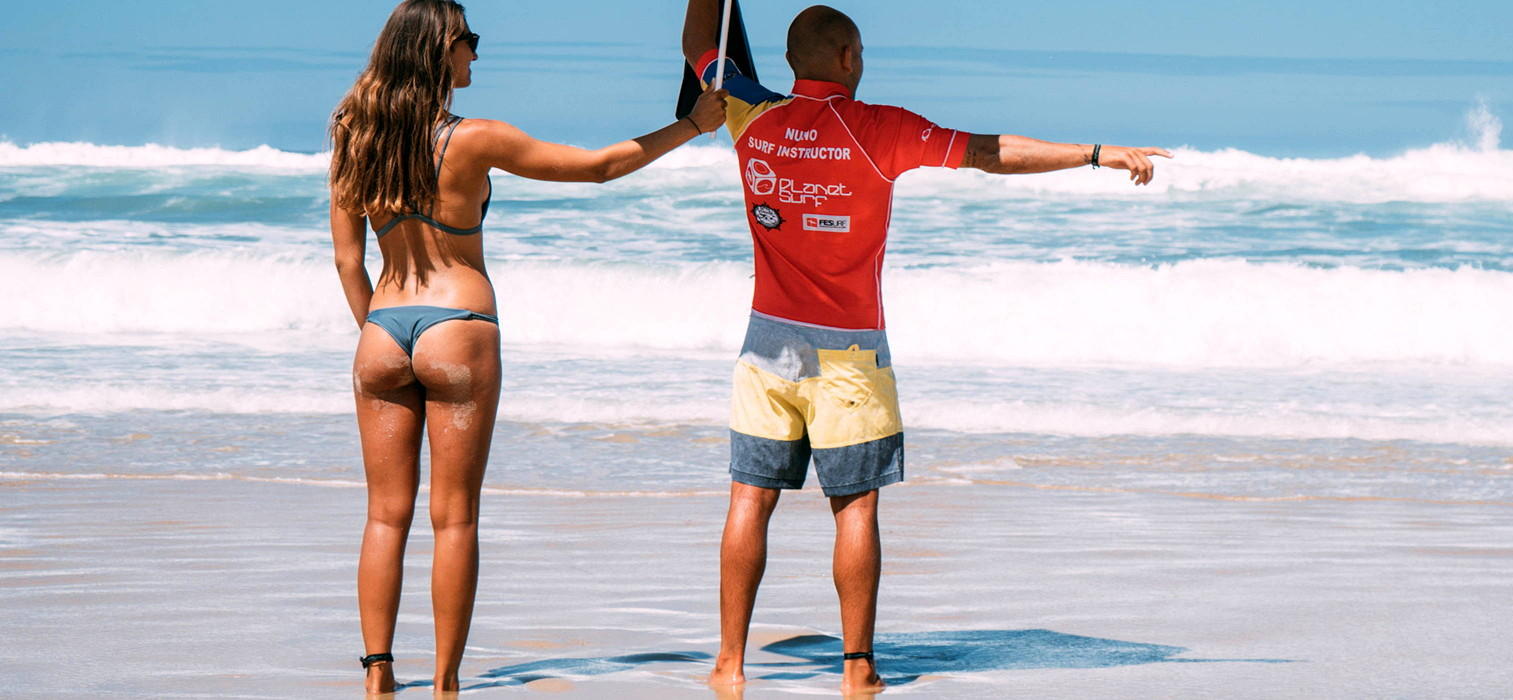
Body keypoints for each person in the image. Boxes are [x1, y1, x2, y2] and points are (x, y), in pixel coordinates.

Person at [681, 1, 1169, 692]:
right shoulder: (881, 128)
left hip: (765, 348)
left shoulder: (746, 110)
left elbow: (699, 41)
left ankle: (728, 664)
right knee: (855, 509)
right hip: (850, 358)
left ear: (790, 61)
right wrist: (1095, 153)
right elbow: (989, 153)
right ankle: (857, 673)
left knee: (748, 502)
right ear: (849, 57)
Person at [328, 1, 726, 693]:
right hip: (458, 326)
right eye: (469, 39)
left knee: (385, 516)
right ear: (440, 50)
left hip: (382, 334)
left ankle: (377, 675)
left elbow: (346, 260)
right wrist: (693, 125)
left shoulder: (353, 133)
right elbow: (597, 167)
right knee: (455, 518)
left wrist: (379, 333)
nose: (476, 53)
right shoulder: (475, 139)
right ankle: (446, 683)